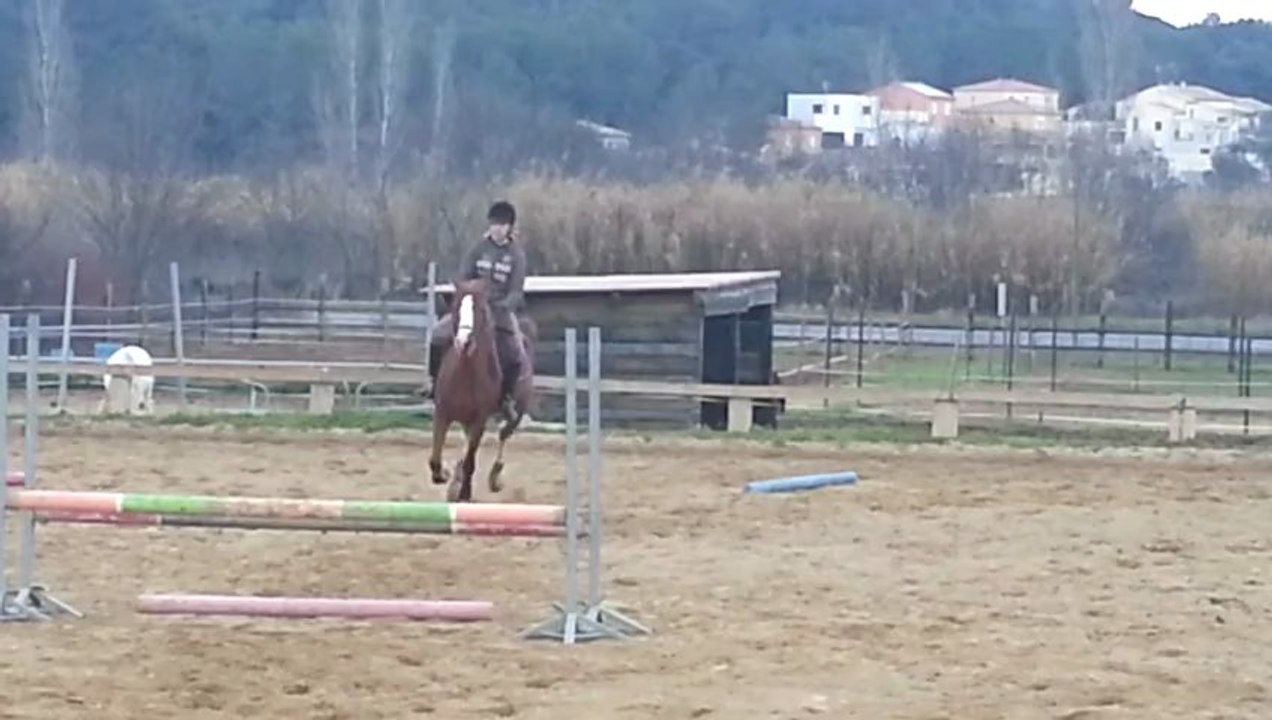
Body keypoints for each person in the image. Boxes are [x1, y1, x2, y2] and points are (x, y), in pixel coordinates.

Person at [428, 200, 528, 421]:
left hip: (500, 310)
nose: (498, 229)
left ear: (510, 227)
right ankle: (434, 384)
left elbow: (516, 290)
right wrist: (466, 295)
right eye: (494, 224)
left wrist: (503, 306)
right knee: (438, 336)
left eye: (502, 225)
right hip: (472, 306)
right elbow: (464, 275)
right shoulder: (478, 249)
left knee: (513, 352)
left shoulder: (516, 255)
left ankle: (507, 398)